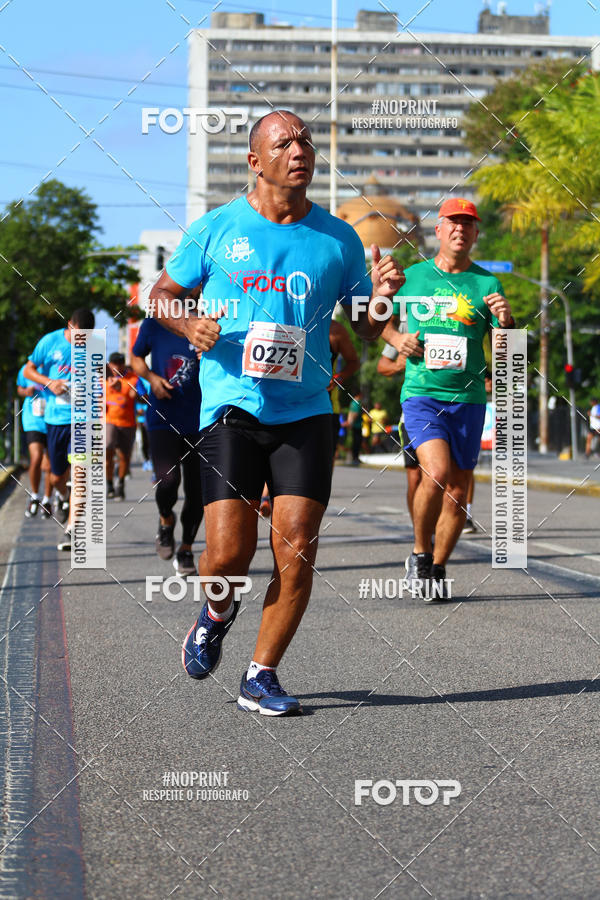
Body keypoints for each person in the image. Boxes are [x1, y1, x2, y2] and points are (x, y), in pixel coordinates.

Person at [149, 109, 404, 716]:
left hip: (308, 411)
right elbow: (158, 295)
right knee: (228, 556)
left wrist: (380, 303)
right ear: (255, 162)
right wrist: (187, 321)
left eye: (306, 141)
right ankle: (217, 609)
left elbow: (367, 332)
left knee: (296, 548)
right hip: (233, 408)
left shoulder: (339, 239)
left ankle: (261, 674)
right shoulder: (214, 229)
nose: (301, 151)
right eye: (284, 142)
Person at [381, 197, 514, 600]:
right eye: (452, 223)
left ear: (475, 234)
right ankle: (420, 554)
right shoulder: (414, 277)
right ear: (438, 230)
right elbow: (375, 317)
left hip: (469, 400)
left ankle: (437, 567)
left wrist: (507, 324)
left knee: (458, 492)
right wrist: (396, 338)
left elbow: (507, 353)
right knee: (435, 473)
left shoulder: (487, 284)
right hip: (422, 395)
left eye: (468, 225)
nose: (460, 230)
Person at [131, 315, 203, 577]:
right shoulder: (153, 325)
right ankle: (165, 520)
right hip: (162, 417)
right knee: (168, 480)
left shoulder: (208, 319)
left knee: (197, 491)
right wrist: (151, 379)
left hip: (201, 420)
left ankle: (186, 549)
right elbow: (135, 358)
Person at [24, 308, 96, 550]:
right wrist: (50, 382)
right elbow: (28, 370)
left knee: (79, 474)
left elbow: (100, 372)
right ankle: (63, 498)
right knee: (56, 477)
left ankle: (72, 529)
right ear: (69, 326)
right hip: (55, 420)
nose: (81, 341)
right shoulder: (50, 341)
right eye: (78, 335)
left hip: (81, 419)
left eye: (86, 336)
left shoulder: (92, 347)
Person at [16, 364, 52, 518]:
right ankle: (35, 496)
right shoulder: (26, 369)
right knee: (36, 457)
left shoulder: (57, 368)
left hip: (53, 419)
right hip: (33, 421)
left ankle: (47, 499)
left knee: (49, 464)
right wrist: (26, 391)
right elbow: (20, 388)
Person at [105, 352, 140, 501]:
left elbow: (137, 395)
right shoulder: (103, 379)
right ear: (110, 365)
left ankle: (120, 484)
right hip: (109, 421)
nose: (117, 366)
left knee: (124, 457)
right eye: (114, 363)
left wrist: (128, 391)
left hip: (127, 423)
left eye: (120, 363)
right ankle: (109, 485)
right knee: (108, 449)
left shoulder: (132, 378)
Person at [328, 319, 359, 459]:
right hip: (285, 404)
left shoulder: (334, 329)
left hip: (326, 409)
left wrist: (337, 379)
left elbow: (353, 362)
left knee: (324, 464)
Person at [344, 392, 364, 466]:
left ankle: (355, 457)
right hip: (356, 425)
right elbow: (354, 413)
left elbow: (350, 413)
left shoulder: (353, 402)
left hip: (356, 425)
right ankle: (354, 458)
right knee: (356, 441)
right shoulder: (356, 403)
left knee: (356, 441)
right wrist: (350, 423)